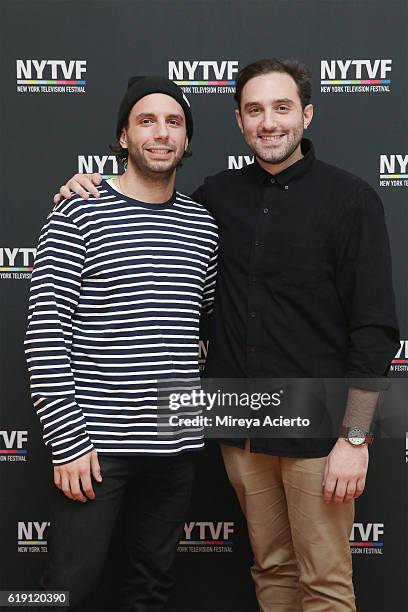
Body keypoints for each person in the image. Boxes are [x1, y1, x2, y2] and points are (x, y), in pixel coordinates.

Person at [53, 59, 399, 612]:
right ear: (239, 121)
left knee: (326, 585)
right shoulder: (214, 201)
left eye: (282, 108)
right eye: (255, 110)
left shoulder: (350, 200)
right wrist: (81, 184)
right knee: (272, 570)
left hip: (318, 434)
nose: (269, 122)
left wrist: (354, 439)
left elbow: (376, 329)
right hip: (243, 433)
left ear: (306, 114)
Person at [25, 76, 218, 612]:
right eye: (147, 121)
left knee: (150, 589)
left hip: (174, 447)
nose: (162, 133)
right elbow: (45, 337)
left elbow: (200, 327)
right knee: (67, 589)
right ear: (123, 137)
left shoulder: (203, 227)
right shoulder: (78, 212)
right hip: (94, 449)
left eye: (174, 122)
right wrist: (68, 442)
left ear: (185, 140)